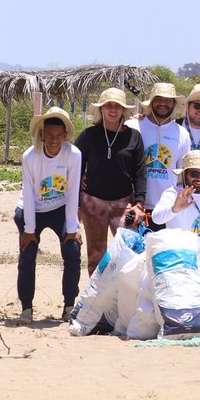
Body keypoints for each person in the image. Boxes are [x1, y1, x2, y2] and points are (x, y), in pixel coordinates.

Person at [14, 108, 82, 324]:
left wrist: (72, 228)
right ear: (42, 135)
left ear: (65, 135)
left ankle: (69, 305)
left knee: (72, 250)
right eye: (49, 135)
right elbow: (29, 192)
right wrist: (29, 231)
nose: (54, 140)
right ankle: (26, 309)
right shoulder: (30, 156)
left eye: (58, 136)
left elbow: (72, 191)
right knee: (28, 255)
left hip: (60, 207)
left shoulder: (73, 154)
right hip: (31, 208)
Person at [75, 88, 146, 274]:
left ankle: (125, 298)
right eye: (108, 105)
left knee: (129, 252)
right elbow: (74, 166)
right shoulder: (88, 135)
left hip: (123, 204)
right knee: (96, 256)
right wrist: (76, 203)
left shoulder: (134, 137)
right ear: (101, 109)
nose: (112, 110)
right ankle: (96, 299)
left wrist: (139, 203)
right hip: (93, 203)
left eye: (117, 106)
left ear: (124, 110)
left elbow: (140, 171)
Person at [128, 82, 191, 227]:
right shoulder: (134, 126)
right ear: (151, 102)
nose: (163, 103)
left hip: (167, 209)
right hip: (136, 206)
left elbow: (183, 174)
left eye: (168, 100)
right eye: (159, 99)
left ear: (174, 103)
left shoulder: (182, 133)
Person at [151, 149, 200, 234]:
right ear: (184, 174)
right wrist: (174, 209)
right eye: (194, 174)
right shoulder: (173, 193)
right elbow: (156, 219)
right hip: (181, 247)